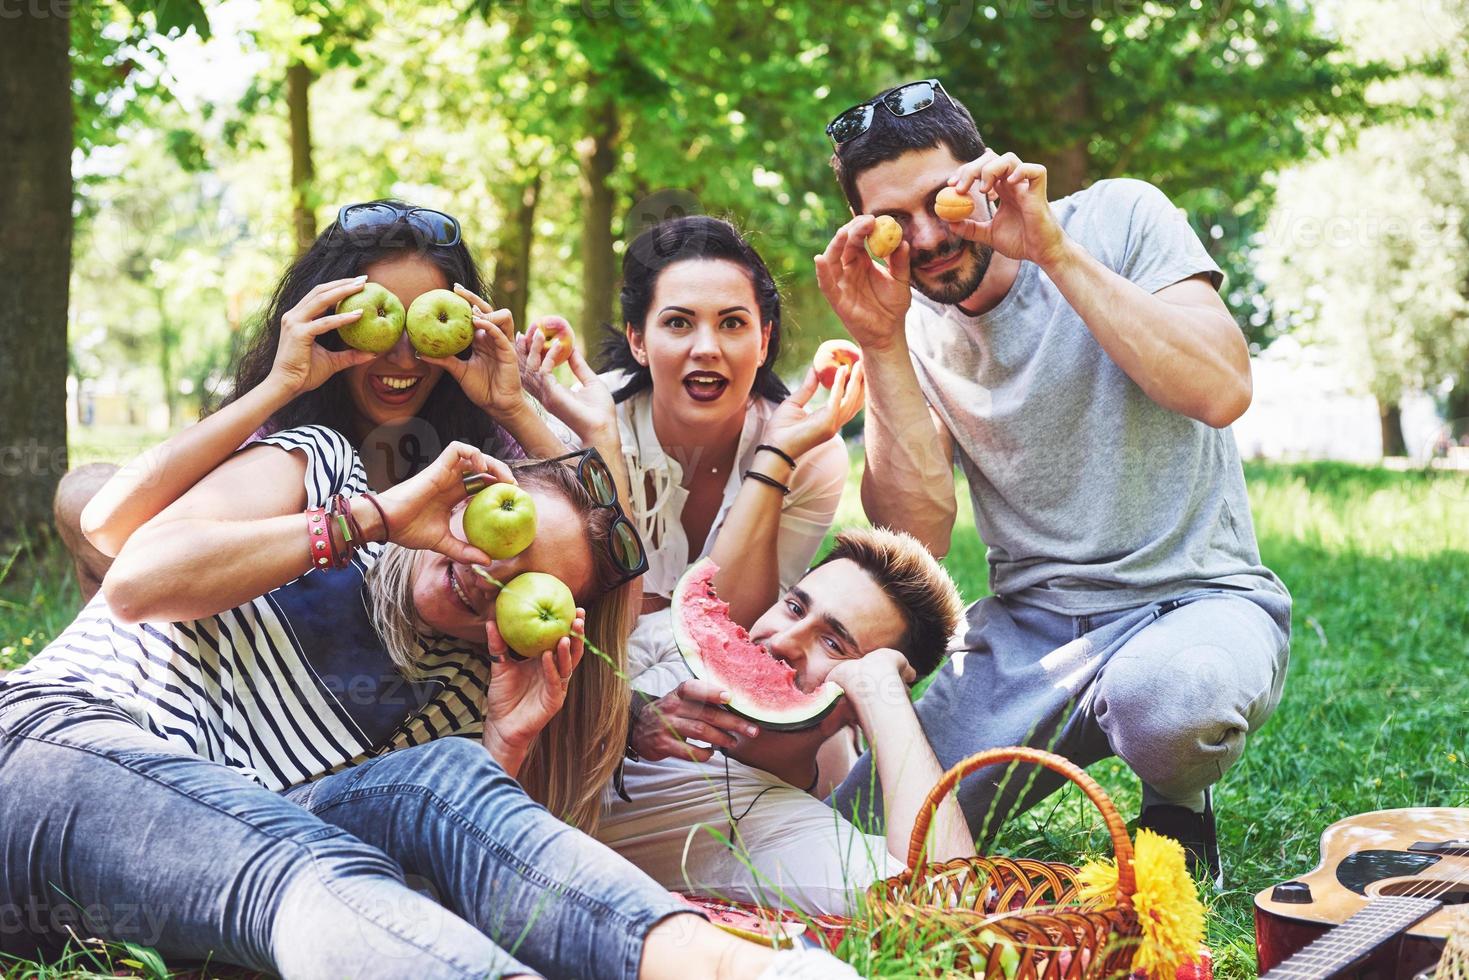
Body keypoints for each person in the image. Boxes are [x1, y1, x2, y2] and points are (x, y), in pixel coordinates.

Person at [0, 427, 856, 979]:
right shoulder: (323, 472)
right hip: (44, 755)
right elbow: (140, 581)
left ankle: (720, 965)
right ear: (479, 495)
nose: (495, 576)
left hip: (178, 882)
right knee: (293, 869)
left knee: (437, 781)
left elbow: (405, 901)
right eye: (505, 535)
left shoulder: (460, 693)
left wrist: (504, 744)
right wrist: (374, 517)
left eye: (532, 586)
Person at [814, 79, 1292, 883]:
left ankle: (1174, 800)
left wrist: (1052, 254)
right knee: (859, 839)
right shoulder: (906, 328)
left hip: (1196, 599)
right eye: (896, 223)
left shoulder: (1118, 217)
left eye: (941, 200)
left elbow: (1220, 390)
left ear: (983, 175)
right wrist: (881, 344)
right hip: (1027, 635)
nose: (926, 237)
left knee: (1170, 705)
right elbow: (914, 540)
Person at [60, 200, 589, 603]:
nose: (404, 358)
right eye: (377, 325)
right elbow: (107, 526)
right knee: (79, 492)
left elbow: (604, 551)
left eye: (428, 328)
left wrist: (513, 407)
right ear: (329, 323)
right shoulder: (294, 438)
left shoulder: (481, 432)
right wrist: (279, 384)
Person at [522, 214, 862, 683]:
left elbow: (737, 629)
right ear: (638, 340)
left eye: (732, 323)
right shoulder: (580, 423)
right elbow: (583, 614)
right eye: (679, 322)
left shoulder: (812, 454)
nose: (706, 347)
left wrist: (775, 459)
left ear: (764, 340)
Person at [597, 526, 969, 916]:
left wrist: (883, 694)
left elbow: (952, 900)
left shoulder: (786, 829)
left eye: (833, 643)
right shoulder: (673, 643)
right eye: (795, 607)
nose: (782, 642)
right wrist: (628, 721)